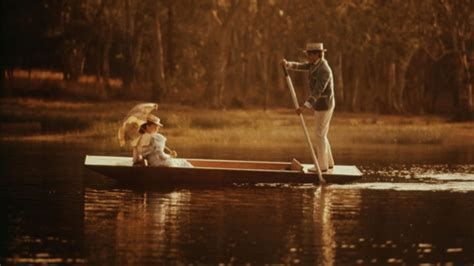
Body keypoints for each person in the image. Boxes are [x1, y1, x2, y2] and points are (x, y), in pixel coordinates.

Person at [281, 42, 335, 172]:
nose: (308, 57)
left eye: (310, 54)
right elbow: (302, 66)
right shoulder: (314, 65)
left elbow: (318, 90)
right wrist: (288, 64)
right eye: (308, 54)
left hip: (325, 105)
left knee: (319, 134)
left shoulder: (324, 69)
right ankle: (329, 162)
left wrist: (304, 106)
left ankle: (322, 166)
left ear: (318, 54)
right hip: (320, 105)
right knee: (322, 133)